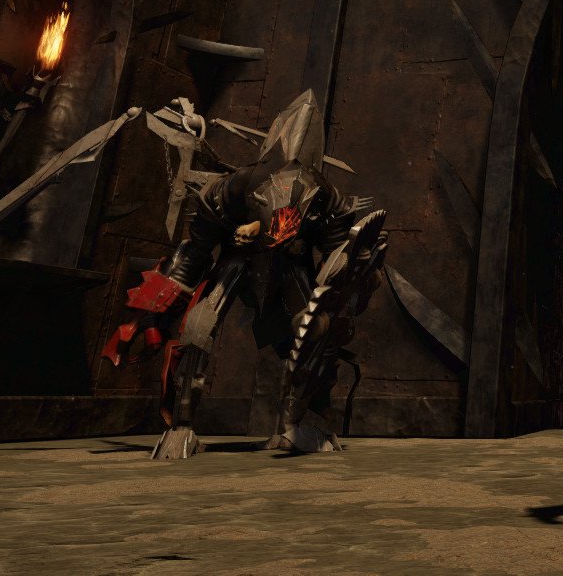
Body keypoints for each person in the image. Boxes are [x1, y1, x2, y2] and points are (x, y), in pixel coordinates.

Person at [103, 90, 386, 459]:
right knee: (198, 330)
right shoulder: (232, 187)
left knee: (316, 331)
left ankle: (302, 424)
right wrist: (152, 312)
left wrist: (358, 273)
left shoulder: (328, 198)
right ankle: (181, 426)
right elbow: (194, 252)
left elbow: (337, 263)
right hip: (238, 262)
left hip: (291, 267)